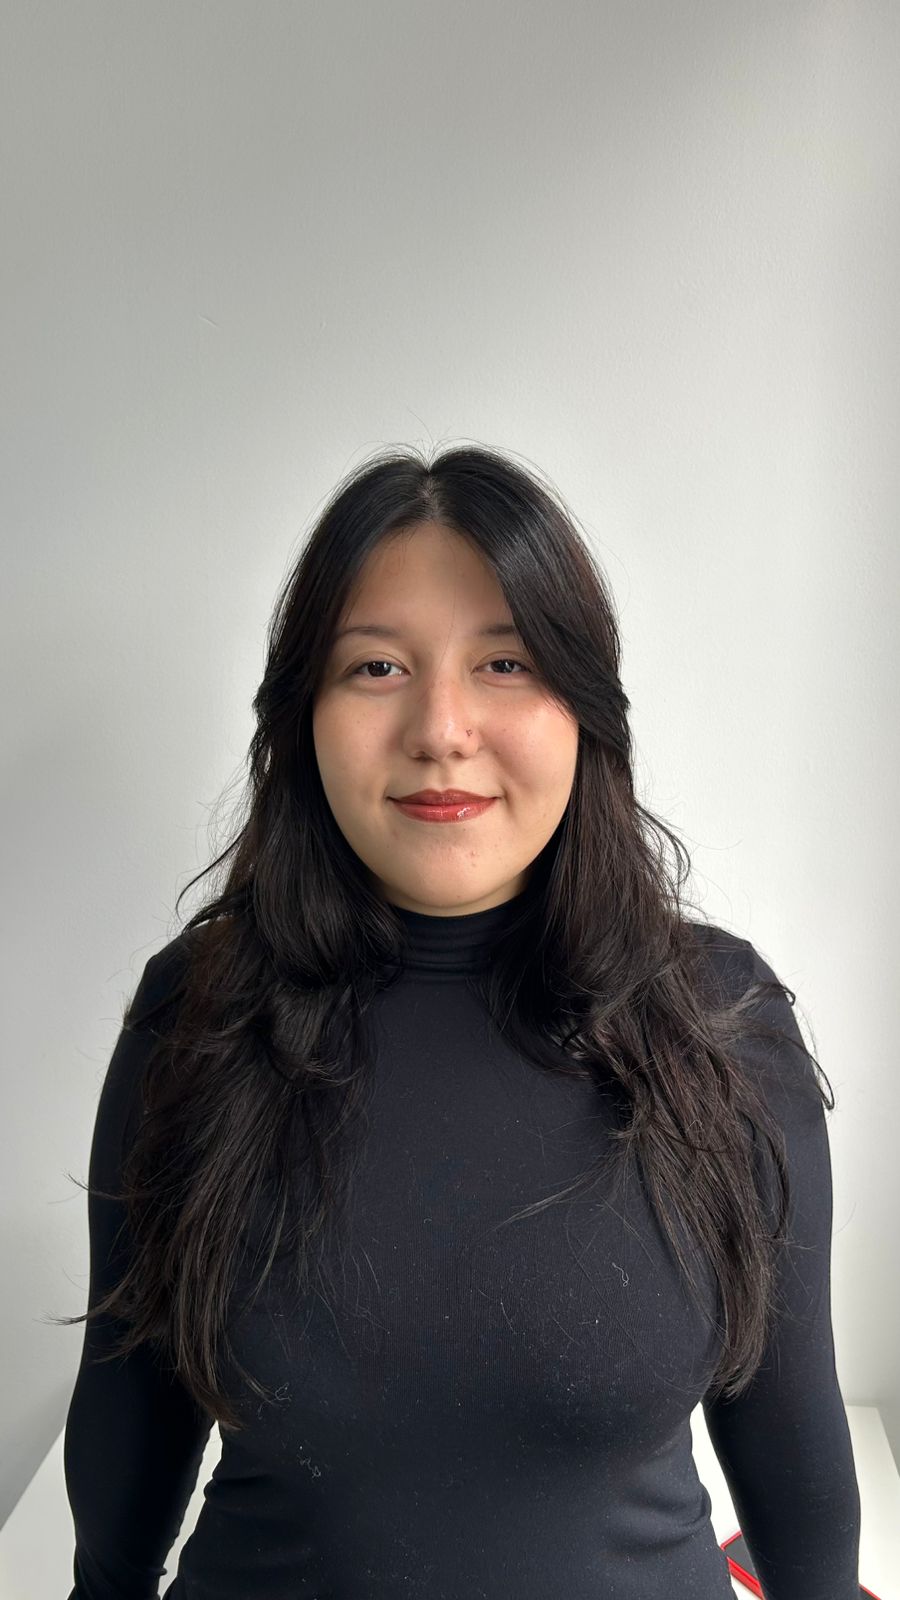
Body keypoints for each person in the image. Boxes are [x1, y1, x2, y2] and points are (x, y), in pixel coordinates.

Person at [57, 444, 862, 1597]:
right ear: (304, 712)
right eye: (377, 665)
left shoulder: (719, 1024)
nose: (441, 727)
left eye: (506, 662)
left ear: (584, 707)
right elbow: (124, 1445)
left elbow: (800, 1479)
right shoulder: (198, 1015)